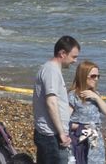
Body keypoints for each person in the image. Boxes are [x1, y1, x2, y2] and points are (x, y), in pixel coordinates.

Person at [33, 35, 81, 164]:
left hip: (50, 134)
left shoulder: (51, 69)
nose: (75, 61)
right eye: (74, 56)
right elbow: (51, 102)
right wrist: (61, 133)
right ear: (62, 53)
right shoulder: (51, 70)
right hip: (51, 135)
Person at [68, 60, 106, 164]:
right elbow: (64, 121)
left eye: (98, 76)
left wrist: (96, 97)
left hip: (95, 140)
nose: (96, 79)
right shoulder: (73, 96)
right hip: (80, 139)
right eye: (93, 76)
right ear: (83, 76)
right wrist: (80, 127)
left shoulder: (95, 94)